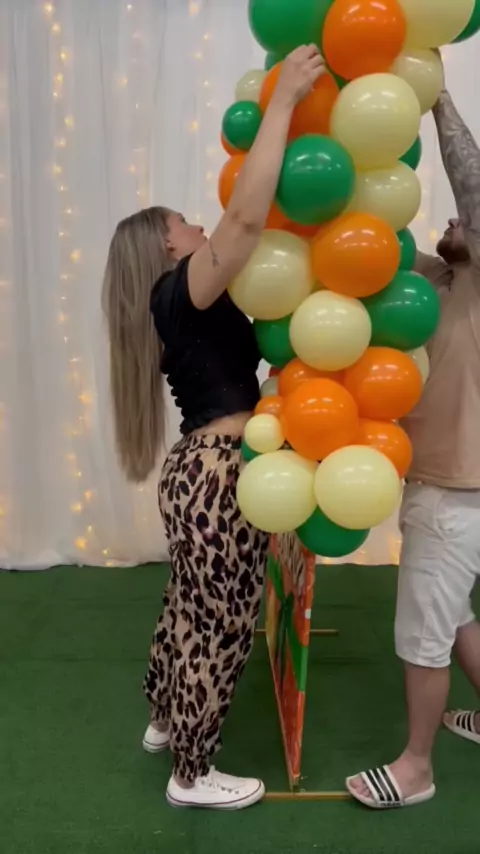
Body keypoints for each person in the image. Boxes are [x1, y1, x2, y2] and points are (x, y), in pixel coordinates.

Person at [102, 45, 326, 810]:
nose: (200, 223)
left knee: (187, 607)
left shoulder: (178, 300)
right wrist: (284, 101)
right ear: (167, 246)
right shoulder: (180, 290)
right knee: (220, 623)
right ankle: (192, 774)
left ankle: (167, 719)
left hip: (200, 473)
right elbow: (247, 218)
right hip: (216, 478)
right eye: (185, 221)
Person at [347, 62, 480, 810]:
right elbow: (376, 252)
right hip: (445, 485)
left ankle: (416, 768)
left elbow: (475, 194)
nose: (451, 223)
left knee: (425, 630)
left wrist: (437, 100)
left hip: (455, 493)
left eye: (462, 224)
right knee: (455, 615)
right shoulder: (441, 284)